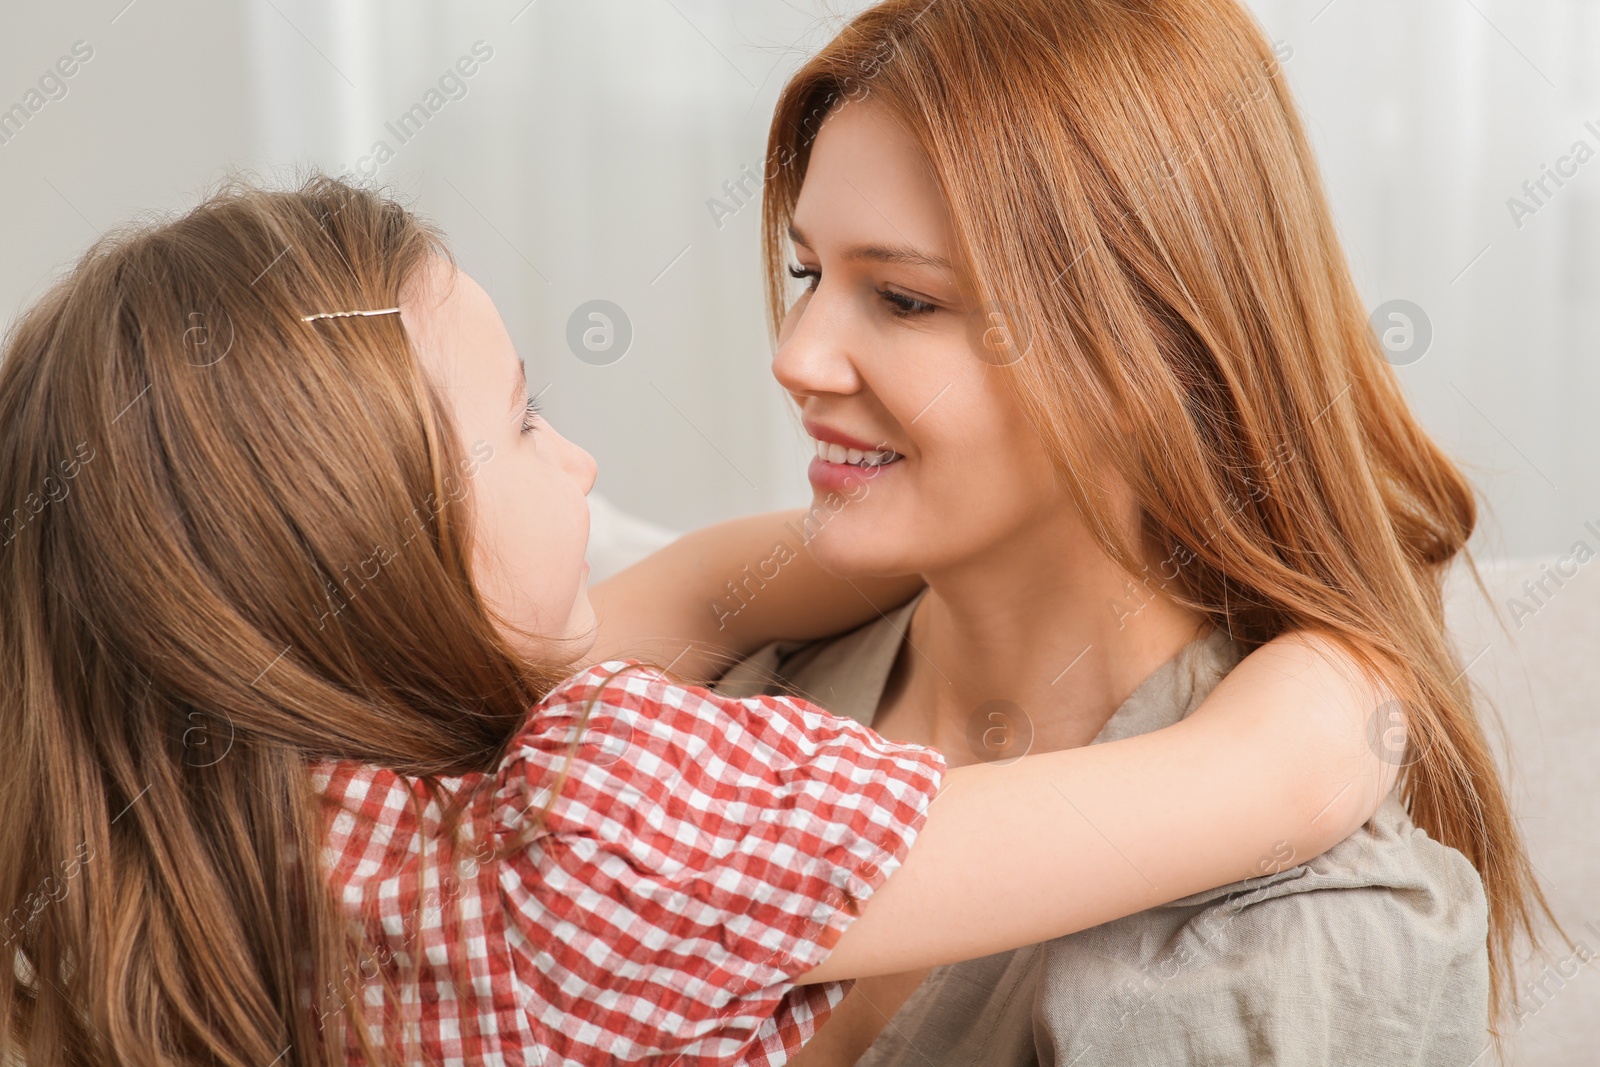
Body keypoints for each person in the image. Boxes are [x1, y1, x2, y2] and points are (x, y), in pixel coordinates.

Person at [0, 176, 1392, 1067]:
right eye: (526, 421)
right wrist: (1353, 597)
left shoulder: (213, 820)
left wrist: (903, 512)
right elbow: (1283, 776)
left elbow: (671, 599)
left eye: (898, 295)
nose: (582, 465)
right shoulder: (598, 834)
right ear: (373, 557)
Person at [718, 0, 1552, 1063]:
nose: (798, 355)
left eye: (902, 298)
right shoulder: (733, 684)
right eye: (807, 274)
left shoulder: (1277, 936)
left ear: (1144, 346)